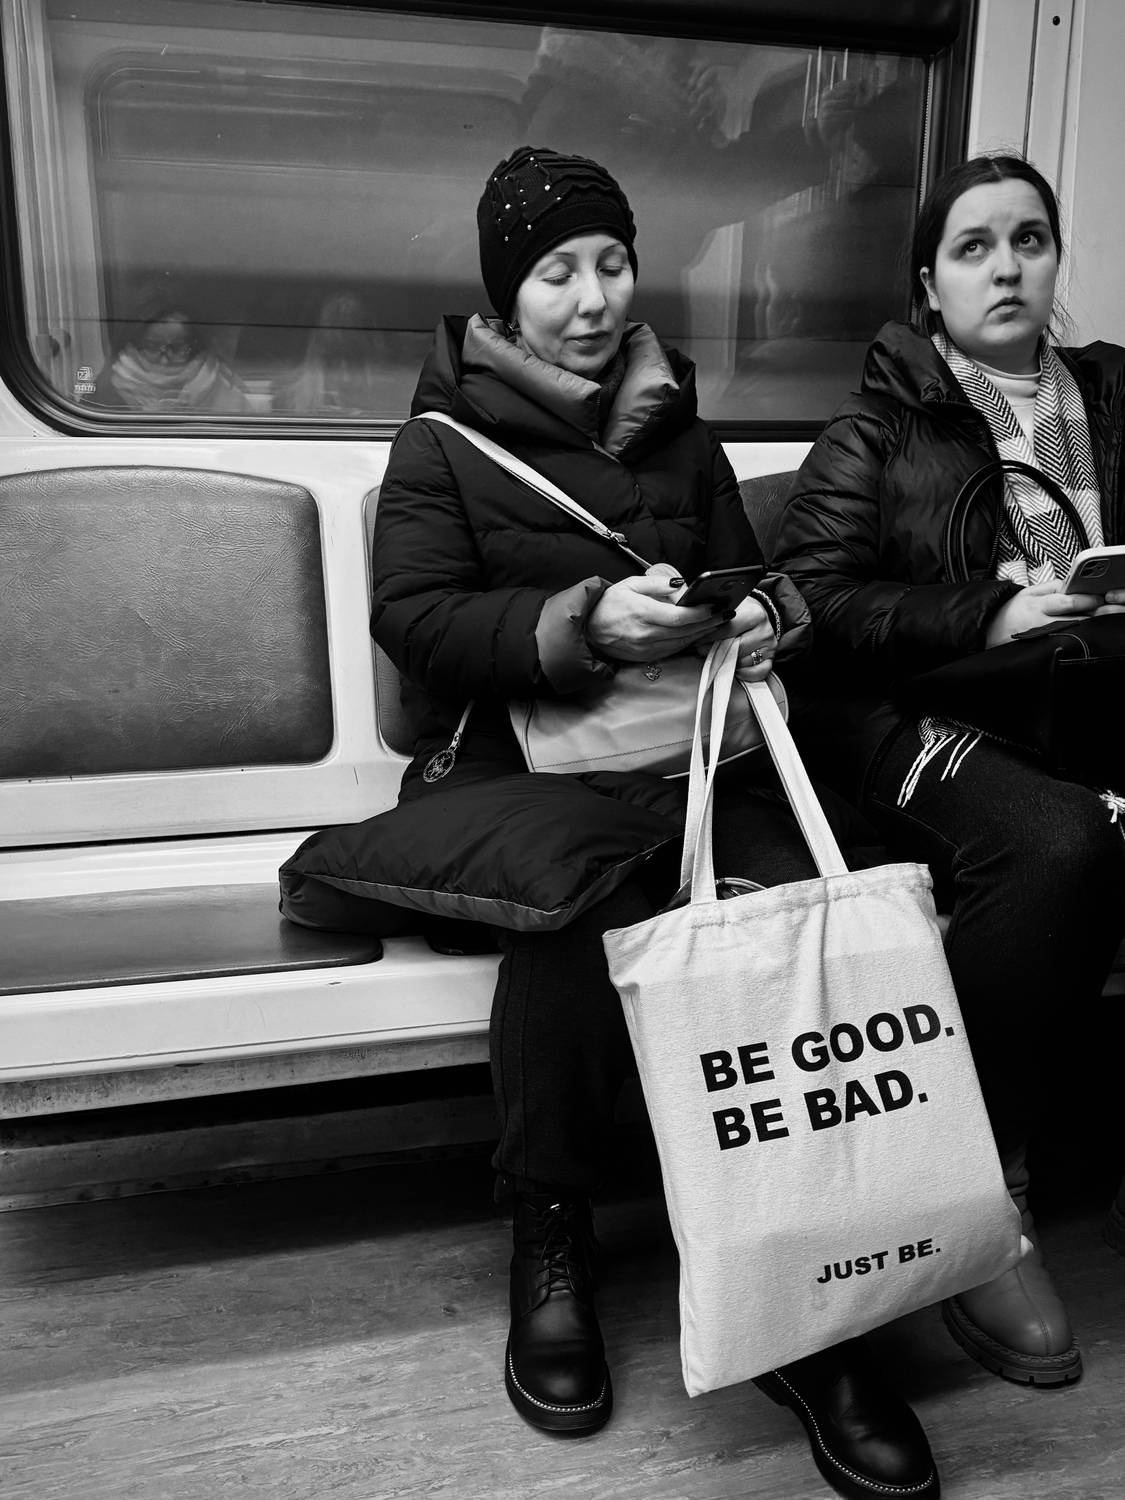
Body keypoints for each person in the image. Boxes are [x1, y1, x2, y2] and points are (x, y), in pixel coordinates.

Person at [369, 145, 938, 1499]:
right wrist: (581, 625)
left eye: (611, 264)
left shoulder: (681, 422)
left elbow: (762, 578)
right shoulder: (441, 440)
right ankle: (551, 1226)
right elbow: (415, 620)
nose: (591, 298)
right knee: (579, 915)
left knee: (797, 916)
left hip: (696, 754)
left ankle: (812, 1291)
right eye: (556, 273)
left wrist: (758, 614)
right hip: (532, 762)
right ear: (505, 294)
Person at [774, 153, 1125, 1389]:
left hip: (1091, 702)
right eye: (974, 248)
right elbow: (811, 606)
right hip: (909, 715)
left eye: (1030, 240)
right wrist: (990, 612)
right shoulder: (878, 428)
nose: (1007, 267)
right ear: (929, 285)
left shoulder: (1113, 397)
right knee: (1062, 844)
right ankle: (976, 1189)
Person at [93, 286, 251, 413]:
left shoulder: (223, 387)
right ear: (133, 346)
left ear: (195, 348)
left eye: (177, 348)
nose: (164, 359)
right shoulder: (106, 389)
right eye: (152, 347)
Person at [274, 290, 389, 415]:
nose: (345, 378)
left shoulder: (393, 405)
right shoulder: (286, 401)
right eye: (331, 362)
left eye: (355, 362)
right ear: (314, 355)